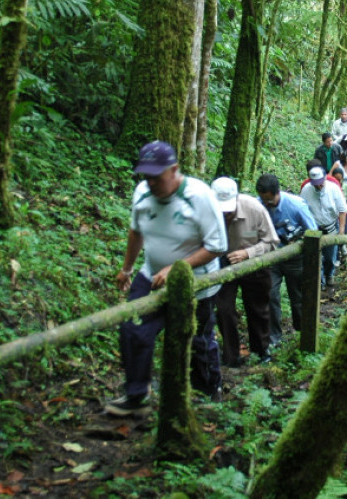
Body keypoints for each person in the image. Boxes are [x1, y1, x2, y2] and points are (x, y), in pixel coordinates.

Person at [106, 141, 228, 416]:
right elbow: (136, 231)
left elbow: (217, 245)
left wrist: (177, 268)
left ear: (174, 170)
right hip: (151, 274)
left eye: (156, 177)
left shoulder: (199, 196)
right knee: (133, 328)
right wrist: (127, 269)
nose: (151, 183)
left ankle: (207, 393)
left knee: (197, 340)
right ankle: (137, 394)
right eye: (146, 176)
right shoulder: (142, 193)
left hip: (197, 282)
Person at [210, 177, 279, 367]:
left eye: (228, 211)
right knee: (224, 310)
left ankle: (261, 351)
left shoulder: (254, 209)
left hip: (254, 264)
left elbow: (271, 241)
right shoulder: (207, 211)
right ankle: (231, 356)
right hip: (223, 265)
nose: (225, 215)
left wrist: (248, 253)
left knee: (258, 309)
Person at [255, 173, 318, 346]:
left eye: (269, 200)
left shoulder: (296, 205)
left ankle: (302, 331)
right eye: (263, 200)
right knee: (270, 295)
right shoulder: (258, 205)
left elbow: (313, 232)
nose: (266, 204)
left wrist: (298, 240)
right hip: (271, 257)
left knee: (297, 297)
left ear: (277, 193)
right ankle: (273, 336)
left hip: (295, 258)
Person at [300, 166, 347, 288]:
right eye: (316, 184)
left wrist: (341, 231)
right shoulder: (306, 190)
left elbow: (342, 210)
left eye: (321, 183)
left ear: (325, 178)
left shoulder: (334, 189)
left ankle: (329, 274)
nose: (319, 186)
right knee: (316, 257)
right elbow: (301, 210)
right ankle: (320, 282)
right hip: (314, 230)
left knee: (330, 256)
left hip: (330, 227)